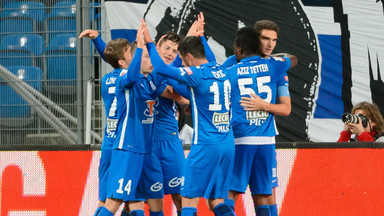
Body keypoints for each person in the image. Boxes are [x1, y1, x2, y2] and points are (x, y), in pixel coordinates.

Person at [144, 20, 236, 216]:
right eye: (166, 48)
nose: (171, 54)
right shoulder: (219, 69)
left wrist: (149, 42)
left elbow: (168, 76)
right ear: (159, 47)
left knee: (186, 198)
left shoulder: (193, 73)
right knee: (215, 200)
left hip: (199, 144)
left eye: (176, 52)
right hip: (226, 143)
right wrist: (199, 37)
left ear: (187, 56)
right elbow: (180, 93)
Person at [224, 26, 293, 216]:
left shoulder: (231, 68)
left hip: (241, 138)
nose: (270, 44)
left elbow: (286, 108)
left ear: (240, 48)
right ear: (256, 40)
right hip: (264, 140)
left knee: (230, 192)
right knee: (263, 194)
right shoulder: (276, 66)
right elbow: (292, 59)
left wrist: (264, 105)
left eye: (274, 40)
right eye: (265, 38)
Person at [97, 22, 162, 216]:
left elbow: (166, 69)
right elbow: (130, 73)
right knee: (114, 202)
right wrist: (141, 46)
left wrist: (150, 45)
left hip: (148, 150)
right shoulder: (124, 78)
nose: (150, 61)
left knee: (148, 201)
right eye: (143, 57)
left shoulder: (149, 79)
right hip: (129, 147)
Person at [89, 38, 132, 216]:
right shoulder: (128, 79)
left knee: (103, 200)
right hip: (124, 144)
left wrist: (97, 40)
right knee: (129, 199)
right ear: (122, 61)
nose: (133, 54)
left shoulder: (107, 79)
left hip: (108, 141)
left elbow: (112, 59)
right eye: (130, 51)